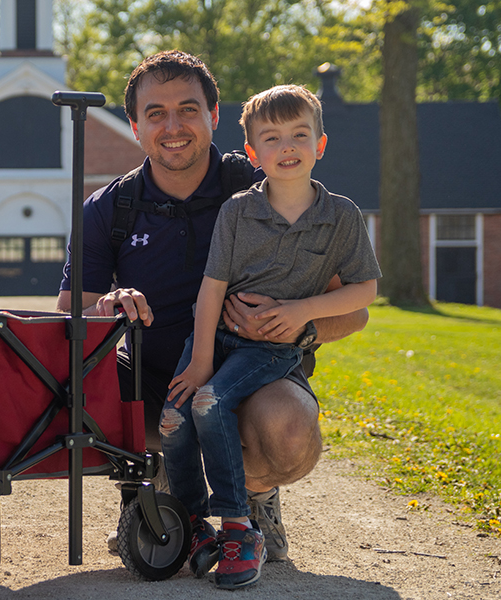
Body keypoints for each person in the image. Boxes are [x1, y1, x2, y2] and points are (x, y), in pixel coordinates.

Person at [56, 50, 369, 568]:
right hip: (155, 383)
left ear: (215, 116)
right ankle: (148, 487)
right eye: (156, 113)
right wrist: (109, 305)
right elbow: (69, 318)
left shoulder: (266, 184)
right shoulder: (108, 208)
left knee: (288, 429)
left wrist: (293, 321)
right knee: (77, 382)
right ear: (134, 126)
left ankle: (255, 495)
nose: (173, 126)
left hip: (251, 375)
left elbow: (355, 309)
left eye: (188, 109)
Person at [161, 84, 381, 588]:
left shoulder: (340, 216)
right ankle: (195, 525)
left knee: (210, 403)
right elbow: (212, 289)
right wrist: (198, 360)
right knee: (175, 415)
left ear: (320, 145)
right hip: (219, 339)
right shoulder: (238, 211)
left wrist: (303, 310)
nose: (287, 147)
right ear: (254, 154)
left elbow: (364, 290)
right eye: (273, 138)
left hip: (273, 350)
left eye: (300, 135)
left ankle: (240, 528)